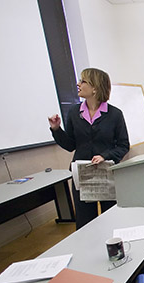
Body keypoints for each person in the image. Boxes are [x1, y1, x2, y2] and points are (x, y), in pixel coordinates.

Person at [48, 68, 130, 229]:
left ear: (95, 87)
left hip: (106, 173)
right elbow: (70, 145)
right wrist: (57, 130)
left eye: (83, 81)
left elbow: (123, 145)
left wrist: (105, 156)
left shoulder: (115, 114)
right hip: (82, 174)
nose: (78, 84)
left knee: (110, 218)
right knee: (85, 222)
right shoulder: (73, 112)